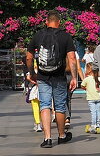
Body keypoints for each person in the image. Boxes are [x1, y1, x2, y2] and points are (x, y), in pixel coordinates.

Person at [26, 12, 80, 148]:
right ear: (59, 22)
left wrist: (32, 73)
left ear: (46, 22)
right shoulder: (65, 36)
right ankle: (61, 135)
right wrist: (74, 77)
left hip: (43, 76)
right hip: (59, 76)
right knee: (60, 105)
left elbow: (28, 57)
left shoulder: (38, 35)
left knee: (45, 105)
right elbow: (72, 58)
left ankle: (47, 138)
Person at [81, 46, 100, 134]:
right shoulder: (99, 78)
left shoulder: (86, 79)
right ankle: (99, 124)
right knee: (99, 111)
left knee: (93, 112)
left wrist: (86, 88)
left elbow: (82, 86)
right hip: (99, 97)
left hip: (90, 98)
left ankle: (93, 125)